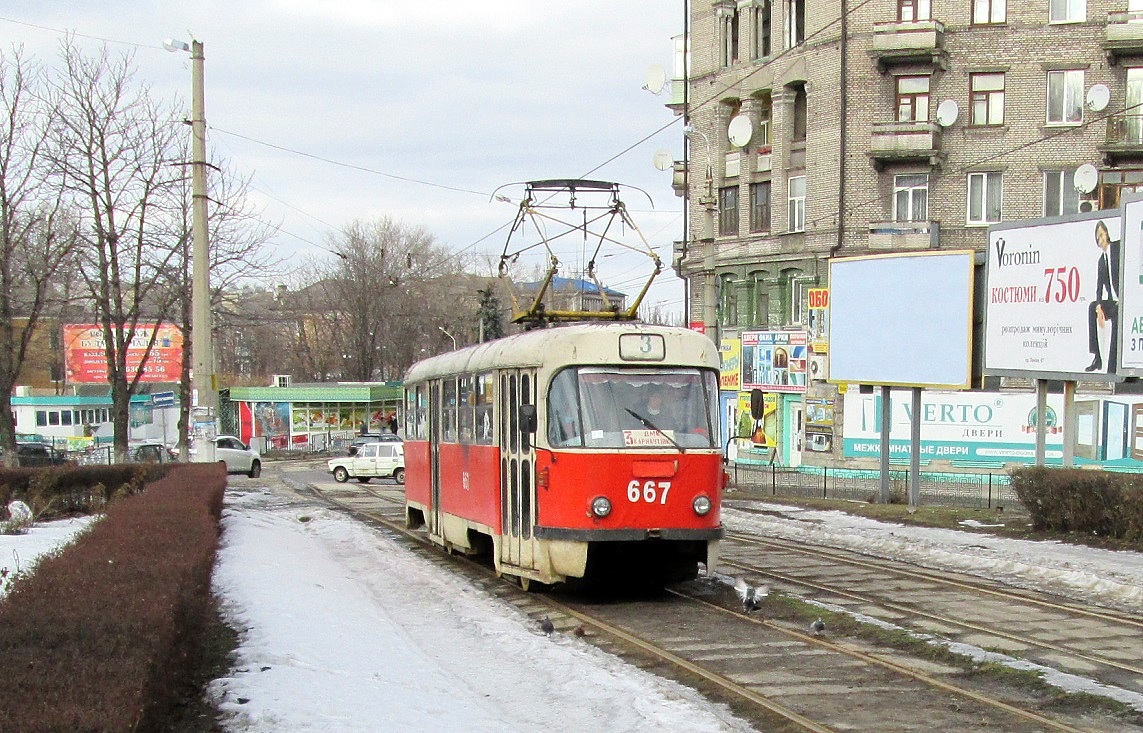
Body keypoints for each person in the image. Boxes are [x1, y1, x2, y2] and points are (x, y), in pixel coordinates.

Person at [1085, 220, 1120, 373]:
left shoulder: (1118, 248)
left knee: (1118, 319)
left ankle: (1113, 365)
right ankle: (1097, 357)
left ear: (1107, 233)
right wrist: (1099, 306)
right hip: (1113, 302)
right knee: (1092, 307)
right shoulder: (1101, 260)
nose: (1100, 239)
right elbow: (1099, 287)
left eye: (1101, 235)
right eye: (1097, 237)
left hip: (1125, 299)